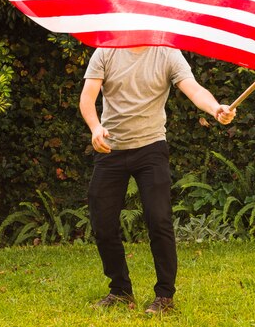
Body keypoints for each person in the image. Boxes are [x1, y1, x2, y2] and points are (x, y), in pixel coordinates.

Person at [79, 45, 236, 315]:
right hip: (110, 149)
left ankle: (164, 296)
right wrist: (95, 128)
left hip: (151, 148)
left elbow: (194, 89)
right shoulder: (105, 52)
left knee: (159, 219)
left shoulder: (167, 53)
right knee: (102, 223)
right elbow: (87, 97)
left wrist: (215, 108)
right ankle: (119, 289)